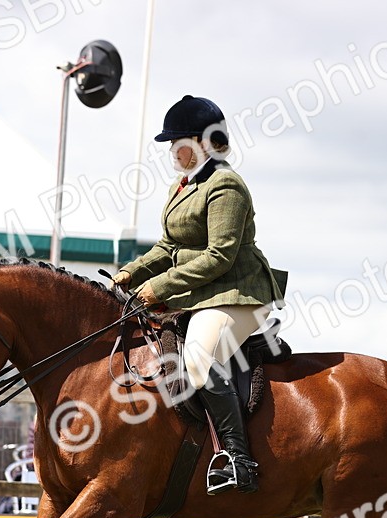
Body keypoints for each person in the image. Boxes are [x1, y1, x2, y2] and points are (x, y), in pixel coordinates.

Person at [111, 95, 287, 495]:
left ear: (205, 140)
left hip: (237, 293)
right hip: (200, 294)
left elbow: (219, 256)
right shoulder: (182, 185)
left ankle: (239, 460)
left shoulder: (226, 185)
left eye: (178, 143)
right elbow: (166, 247)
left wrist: (157, 287)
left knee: (200, 358)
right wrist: (129, 274)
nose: (172, 151)